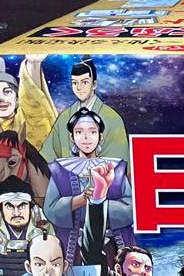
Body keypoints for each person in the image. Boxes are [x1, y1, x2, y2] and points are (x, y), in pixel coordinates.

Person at [43, 108, 133, 267]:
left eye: (92, 132)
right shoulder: (60, 170)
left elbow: (130, 209)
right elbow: (50, 209)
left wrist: (100, 201)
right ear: (72, 137)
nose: (86, 138)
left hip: (111, 244)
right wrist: (80, 199)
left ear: (100, 136)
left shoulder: (116, 168)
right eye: (79, 132)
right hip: (72, 246)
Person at [0, 57, 57, 201]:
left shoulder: (24, 123)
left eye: (7, 92)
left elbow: (34, 106)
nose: (1, 98)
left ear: (16, 100)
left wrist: (33, 64)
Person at [42, 57, 129, 163]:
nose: (79, 88)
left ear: (94, 84)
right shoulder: (64, 117)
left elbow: (119, 163)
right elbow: (48, 156)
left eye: (84, 82)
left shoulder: (112, 119)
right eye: (75, 83)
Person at [0, 176, 54, 276]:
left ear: (30, 207)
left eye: (22, 206)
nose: (16, 213)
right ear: (1, 208)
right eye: (9, 206)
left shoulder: (45, 225)